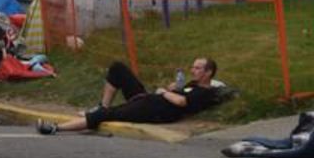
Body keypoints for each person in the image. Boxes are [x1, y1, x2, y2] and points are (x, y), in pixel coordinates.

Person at [37, 58, 221, 134]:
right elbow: (178, 94)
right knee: (118, 69)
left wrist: (165, 92)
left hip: (152, 111)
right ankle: (103, 104)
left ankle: (56, 128)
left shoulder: (204, 92)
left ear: (208, 73)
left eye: (198, 68)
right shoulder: (192, 85)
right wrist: (172, 88)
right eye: (193, 67)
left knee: (107, 115)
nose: (193, 70)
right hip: (148, 99)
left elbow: (182, 102)